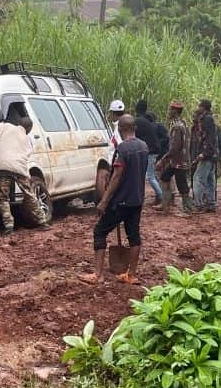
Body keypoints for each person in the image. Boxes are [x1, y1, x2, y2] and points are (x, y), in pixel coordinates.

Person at [81, 114, 149, 285]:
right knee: (134, 236)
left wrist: (104, 201)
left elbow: (117, 176)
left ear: (121, 129)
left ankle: (98, 275)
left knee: (100, 231)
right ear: (134, 128)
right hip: (137, 200)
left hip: (120, 201)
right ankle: (131, 275)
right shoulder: (144, 146)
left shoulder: (123, 149)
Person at [0, 116, 50, 233]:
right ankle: (42, 222)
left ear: (18, 123)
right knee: (30, 194)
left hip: (2, 166)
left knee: (3, 197)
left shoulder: (6, 127)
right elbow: (27, 154)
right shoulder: (29, 139)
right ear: (29, 128)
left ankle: (8, 226)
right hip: (19, 168)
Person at [155, 101, 192, 214]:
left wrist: (162, 160)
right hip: (177, 161)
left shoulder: (177, 127)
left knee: (182, 185)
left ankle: (187, 210)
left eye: (170, 110)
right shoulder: (183, 123)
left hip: (178, 162)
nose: (169, 112)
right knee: (165, 178)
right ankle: (165, 205)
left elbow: (174, 148)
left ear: (175, 111)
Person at [190, 99, 219, 213]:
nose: (198, 108)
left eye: (199, 106)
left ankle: (198, 204)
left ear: (203, 107)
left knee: (198, 179)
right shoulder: (210, 118)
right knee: (210, 179)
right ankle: (210, 203)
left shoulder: (207, 119)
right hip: (212, 154)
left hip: (207, 155)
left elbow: (208, 138)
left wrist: (204, 153)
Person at [133, 100, 163, 207]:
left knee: (149, 177)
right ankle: (160, 196)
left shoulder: (138, 121)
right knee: (151, 175)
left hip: (150, 151)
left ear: (136, 109)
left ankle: (162, 197)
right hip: (153, 150)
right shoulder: (147, 120)